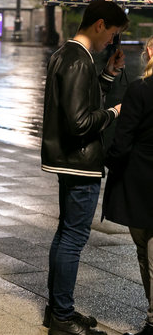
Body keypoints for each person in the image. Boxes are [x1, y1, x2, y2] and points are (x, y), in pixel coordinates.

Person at [41, 0, 128, 335]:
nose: (113, 41)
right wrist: (116, 112)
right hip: (80, 162)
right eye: (114, 34)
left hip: (68, 159)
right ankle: (61, 316)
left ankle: (57, 310)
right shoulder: (78, 60)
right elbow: (80, 122)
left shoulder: (67, 55)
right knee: (73, 239)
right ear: (100, 24)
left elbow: (79, 103)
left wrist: (107, 75)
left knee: (65, 235)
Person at [103, 36, 153, 335]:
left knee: (145, 247)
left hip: (142, 183)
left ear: (149, 52)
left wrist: (107, 160)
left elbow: (123, 141)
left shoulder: (140, 89)